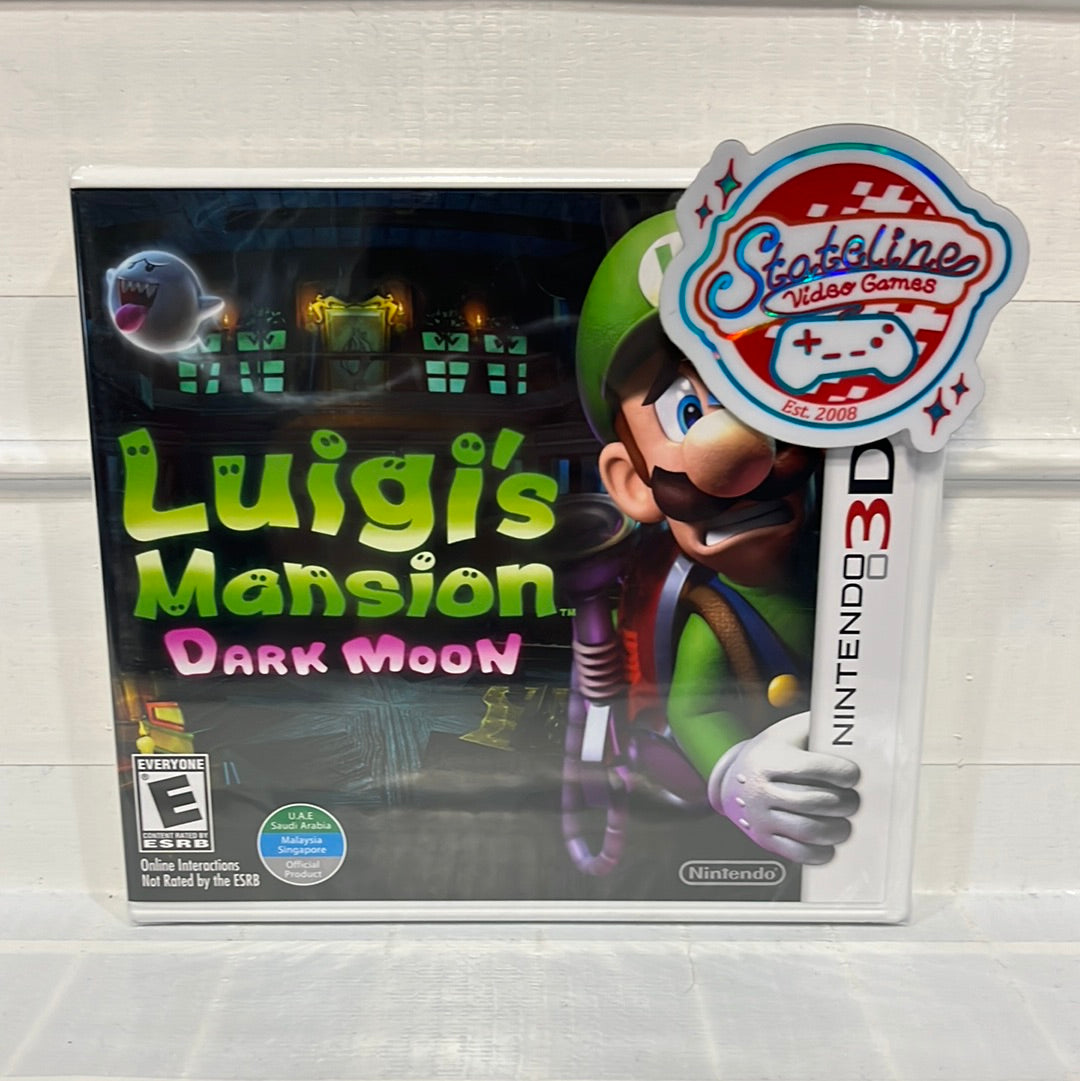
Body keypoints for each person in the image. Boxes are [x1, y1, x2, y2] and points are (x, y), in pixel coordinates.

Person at [575, 212, 860, 865]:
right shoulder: (714, 616)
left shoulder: (836, 559)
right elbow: (696, 711)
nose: (739, 449)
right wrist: (736, 773)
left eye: (762, 395)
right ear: (632, 482)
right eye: (687, 411)